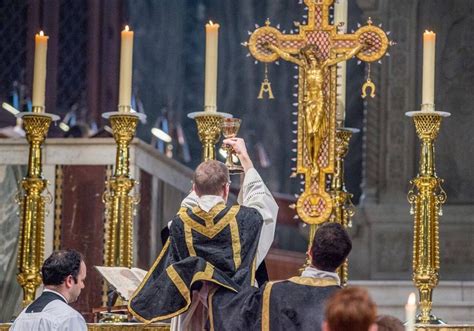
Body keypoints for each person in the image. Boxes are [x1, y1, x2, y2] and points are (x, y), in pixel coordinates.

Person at [128, 137, 279, 330]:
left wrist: (205, 175)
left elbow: (188, 206)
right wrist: (244, 158)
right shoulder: (246, 220)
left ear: (193, 189)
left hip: (192, 319)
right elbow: (262, 204)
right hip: (233, 315)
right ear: (226, 189)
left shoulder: (179, 224)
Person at [212, 222, 352, 330]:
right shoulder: (349, 306)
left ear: (310, 252)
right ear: (343, 261)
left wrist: (210, 283)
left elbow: (233, 316)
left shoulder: (272, 292)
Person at [265, 42, 365, 176]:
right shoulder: (305, 67)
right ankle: (312, 162)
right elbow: (287, 56)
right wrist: (273, 47)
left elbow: (345, 56)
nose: (311, 57)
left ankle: (315, 163)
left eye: (313, 54)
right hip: (308, 103)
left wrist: (359, 47)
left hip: (319, 101)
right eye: (309, 55)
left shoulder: (324, 66)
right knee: (309, 132)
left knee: (315, 131)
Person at [10, 249, 87, 331]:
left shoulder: (21, 318)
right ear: (69, 280)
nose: (83, 286)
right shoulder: (70, 318)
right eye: (82, 280)